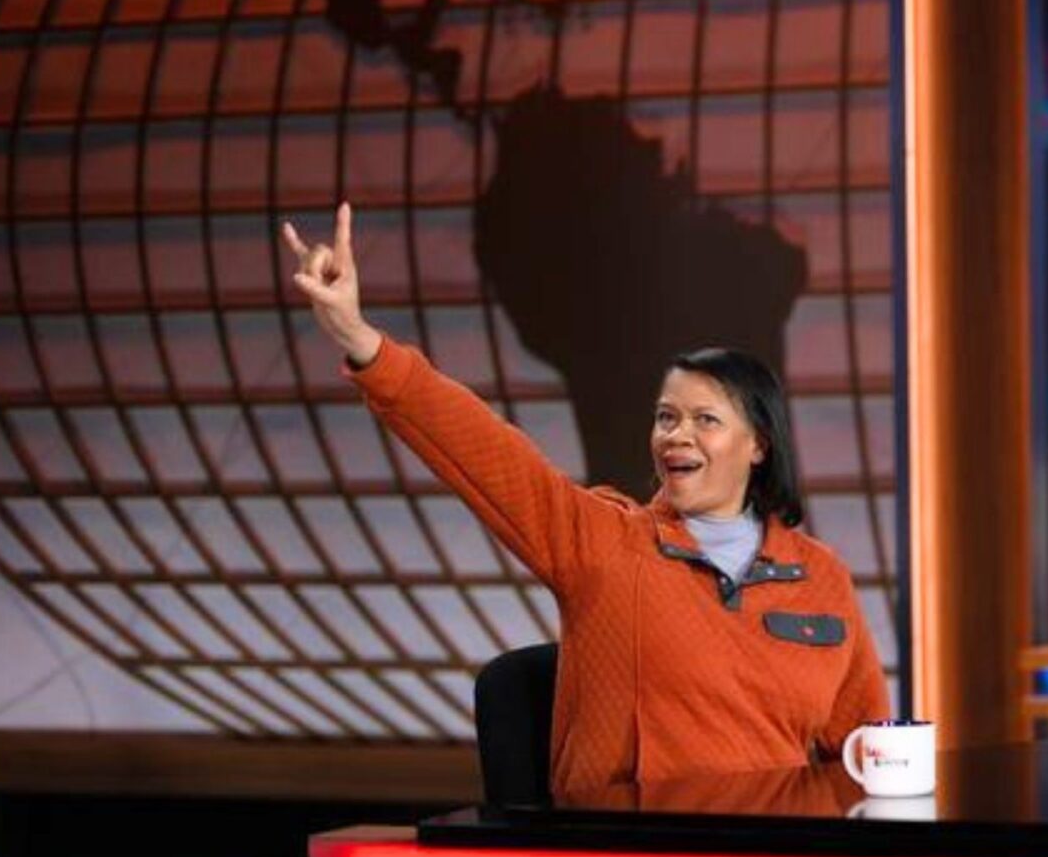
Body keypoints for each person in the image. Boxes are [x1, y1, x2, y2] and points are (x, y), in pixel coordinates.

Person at [282, 204, 889, 795]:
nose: (677, 435)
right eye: (666, 418)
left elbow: (866, 760)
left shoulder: (821, 578)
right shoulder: (605, 544)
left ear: (758, 444)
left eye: (705, 419)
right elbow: (487, 454)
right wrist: (362, 341)